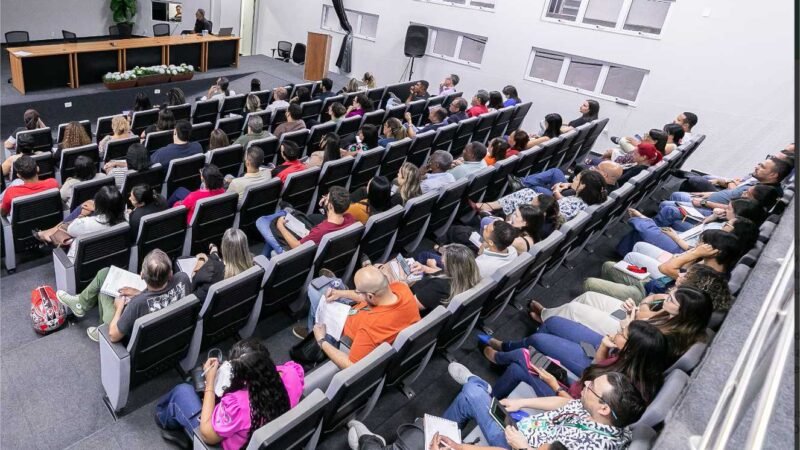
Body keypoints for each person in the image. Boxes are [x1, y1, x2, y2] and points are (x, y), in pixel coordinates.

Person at [440, 369, 646, 449]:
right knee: (471, 396)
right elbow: (566, 404)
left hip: (514, 441)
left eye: (592, 387)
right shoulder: (607, 417)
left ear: (604, 408)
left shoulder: (585, 446)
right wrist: (522, 403)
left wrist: (521, 446)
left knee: (471, 394)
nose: (586, 384)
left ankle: (436, 433)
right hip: (524, 429)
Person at [155, 338, 303, 449]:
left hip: (223, 444)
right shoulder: (291, 373)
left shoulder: (238, 405)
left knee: (183, 392)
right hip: (260, 435)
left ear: (244, 379)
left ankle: (163, 420)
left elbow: (207, 435)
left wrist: (210, 383)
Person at [483, 320, 668, 404]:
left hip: (566, 399)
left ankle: (496, 357)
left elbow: (580, 409)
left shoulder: (621, 386)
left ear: (631, 347)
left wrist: (556, 386)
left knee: (523, 355)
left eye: (623, 334)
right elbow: (594, 370)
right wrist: (604, 346)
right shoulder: (630, 360)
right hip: (574, 387)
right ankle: (489, 400)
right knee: (517, 369)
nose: (618, 332)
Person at [533, 263, 732, 337]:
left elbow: (646, 310)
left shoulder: (683, 307)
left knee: (574, 309)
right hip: (636, 315)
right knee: (588, 296)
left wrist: (645, 304)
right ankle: (551, 314)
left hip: (628, 331)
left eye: (685, 277)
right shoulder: (679, 299)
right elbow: (651, 302)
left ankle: (547, 318)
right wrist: (649, 302)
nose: (679, 276)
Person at [56, 248, 188, 342]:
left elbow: (114, 336)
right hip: (165, 329)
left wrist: (119, 307)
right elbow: (159, 297)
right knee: (105, 273)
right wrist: (138, 293)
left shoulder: (137, 305)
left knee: (104, 291)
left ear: (142, 275)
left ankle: (102, 331)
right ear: (170, 273)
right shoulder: (183, 278)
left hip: (128, 336)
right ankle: (80, 303)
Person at [309, 266, 421, 368]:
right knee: (327, 287)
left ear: (370, 296)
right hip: (357, 310)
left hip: (343, 336)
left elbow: (351, 365)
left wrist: (321, 340)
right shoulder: (401, 288)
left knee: (315, 289)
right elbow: (369, 297)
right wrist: (340, 293)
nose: (357, 293)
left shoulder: (371, 328)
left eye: (358, 291)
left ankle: (312, 339)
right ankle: (338, 286)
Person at [584, 230, 740, 302]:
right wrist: (696, 254)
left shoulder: (707, 278)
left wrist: (694, 254)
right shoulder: (704, 263)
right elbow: (679, 265)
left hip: (647, 296)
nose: (697, 246)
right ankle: (613, 296)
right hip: (651, 284)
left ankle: (615, 301)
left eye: (701, 244)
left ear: (713, 251)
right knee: (609, 266)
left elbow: (665, 268)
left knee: (590, 283)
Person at [654, 157, 790, 230]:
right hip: (713, 204)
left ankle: (654, 227)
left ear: (773, 174)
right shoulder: (759, 183)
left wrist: (704, 203)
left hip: (714, 211)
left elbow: (735, 210)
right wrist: (707, 195)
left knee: (668, 206)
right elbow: (732, 193)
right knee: (676, 196)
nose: (757, 167)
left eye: (762, 167)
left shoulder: (766, 193)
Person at [35, 186, 127, 262]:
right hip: (109, 258)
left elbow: (71, 229)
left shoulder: (86, 224)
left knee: (68, 225)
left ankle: (46, 234)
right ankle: (46, 233)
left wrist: (82, 215)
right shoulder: (127, 221)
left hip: (78, 263)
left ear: (99, 205)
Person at [257, 185, 355, 257]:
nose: (324, 199)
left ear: (330, 206)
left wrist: (280, 226)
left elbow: (296, 246)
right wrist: (326, 207)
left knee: (261, 221)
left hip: (297, 254)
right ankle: (285, 212)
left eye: (327, 198)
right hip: (317, 244)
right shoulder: (350, 218)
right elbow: (333, 217)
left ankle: (284, 212)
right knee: (286, 214)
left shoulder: (321, 231)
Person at [482, 170, 608, 220]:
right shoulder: (585, 200)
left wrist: (551, 195)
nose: (573, 179)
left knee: (528, 192)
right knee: (532, 192)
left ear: (583, 186)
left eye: (576, 179)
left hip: (541, 217)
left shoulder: (574, 203)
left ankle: (489, 207)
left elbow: (554, 214)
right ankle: (491, 207)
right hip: (551, 212)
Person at [410, 243, 481, 313]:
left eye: (445, 260)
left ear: (452, 266)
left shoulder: (439, 286)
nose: (442, 260)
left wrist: (402, 282)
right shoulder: (468, 277)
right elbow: (442, 273)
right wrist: (424, 268)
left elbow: (410, 305)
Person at [188, 228, 254, 301]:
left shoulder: (212, 270)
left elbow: (193, 281)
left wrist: (200, 261)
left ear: (223, 248)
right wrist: (214, 254)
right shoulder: (253, 265)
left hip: (197, 305)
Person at [522, 161, 622, 196]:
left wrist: (557, 191)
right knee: (555, 172)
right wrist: (569, 184)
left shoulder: (600, 190)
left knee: (535, 188)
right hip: (570, 189)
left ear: (605, 175)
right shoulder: (614, 183)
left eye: (597, 168)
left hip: (561, 199)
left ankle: (524, 186)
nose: (594, 169)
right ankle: (522, 183)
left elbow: (575, 199)